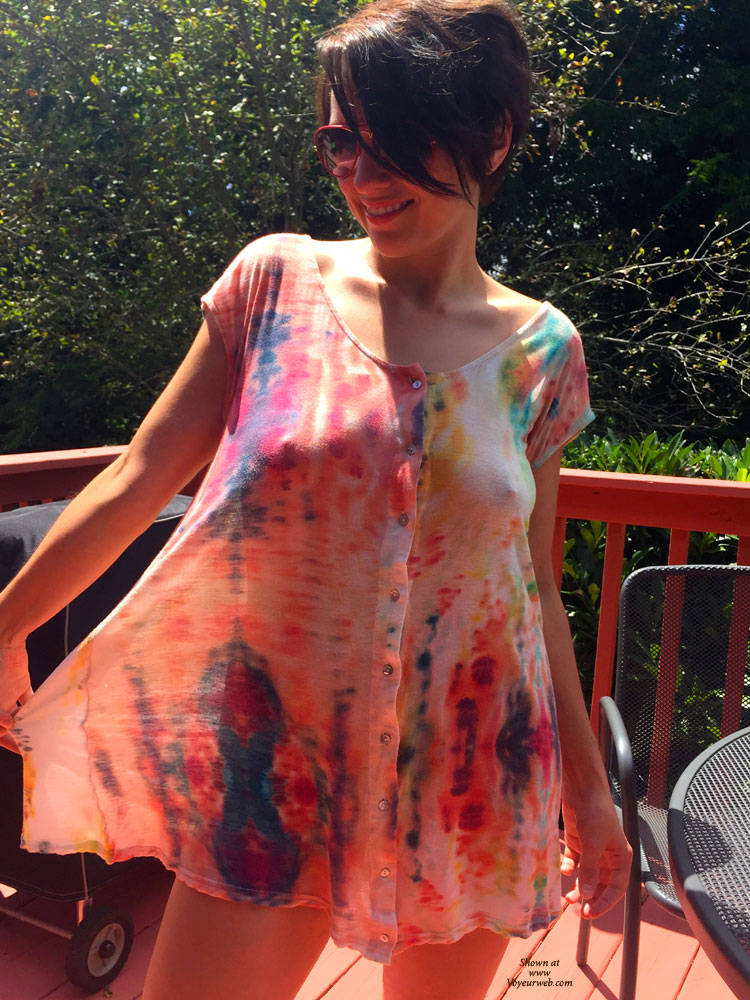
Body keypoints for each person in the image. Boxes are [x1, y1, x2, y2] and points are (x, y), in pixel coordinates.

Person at [0, 1, 632, 998]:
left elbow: (534, 589)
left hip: (469, 777)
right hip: (275, 769)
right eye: (342, 142)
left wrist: (589, 795)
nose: (363, 176)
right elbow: (138, 475)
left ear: (492, 137)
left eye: (397, 141)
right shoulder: (274, 287)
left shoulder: (544, 352)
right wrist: (7, 625)